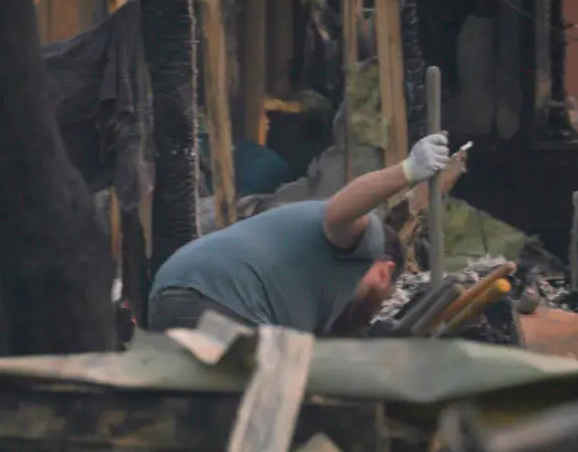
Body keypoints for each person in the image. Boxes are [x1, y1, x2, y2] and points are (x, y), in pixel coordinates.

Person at [149, 133, 451, 335]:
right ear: (384, 273)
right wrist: (408, 171)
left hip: (169, 294)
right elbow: (341, 210)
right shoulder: (366, 243)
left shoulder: (309, 285)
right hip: (220, 303)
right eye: (385, 295)